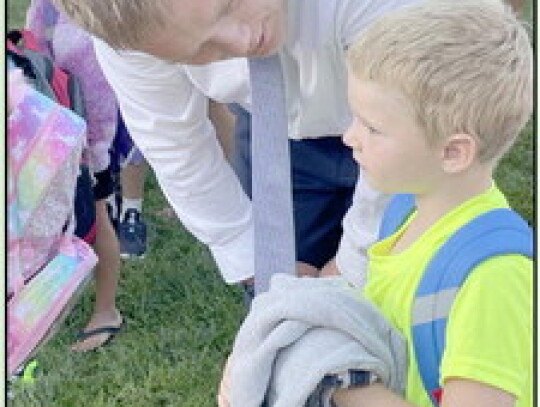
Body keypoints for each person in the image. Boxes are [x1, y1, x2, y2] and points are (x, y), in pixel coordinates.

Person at [220, 1, 533, 406]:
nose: (349, 137)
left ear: (453, 153)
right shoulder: (403, 211)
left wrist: (342, 381)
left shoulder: (494, 275)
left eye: (373, 127)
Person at [26, 0, 123, 351]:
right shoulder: (46, 6)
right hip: (51, 140)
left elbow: (101, 93)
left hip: (90, 143)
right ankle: (43, 310)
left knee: (98, 221)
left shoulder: (101, 14)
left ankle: (106, 311)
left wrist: (94, 154)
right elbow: (34, 53)